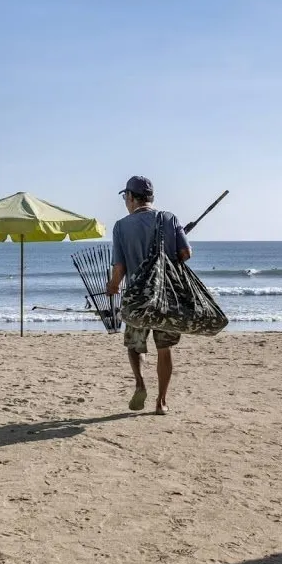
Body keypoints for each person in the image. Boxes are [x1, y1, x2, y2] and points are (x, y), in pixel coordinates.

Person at [106, 176, 191, 415]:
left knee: (134, 345)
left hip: (137, 297)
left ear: (132, 198)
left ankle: (140, 384)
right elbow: (185, 254)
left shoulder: (121, 226)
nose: (125, 201)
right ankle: (161, 401)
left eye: (125, 197)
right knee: (164, 349)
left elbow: (120, 268)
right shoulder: (169, 218)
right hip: (166, 296)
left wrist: (113, 286)